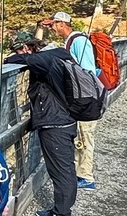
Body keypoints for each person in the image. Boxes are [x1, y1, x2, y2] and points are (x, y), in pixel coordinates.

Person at [5, 28, 79, 216]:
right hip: (65, 119)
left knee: (62, 170)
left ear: (27, 48)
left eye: (20, 50)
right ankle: (58, 210)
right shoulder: (59, 54)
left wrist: (21, 57)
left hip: (56, 123)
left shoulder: (43, 60)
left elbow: (13, 62)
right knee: (62, 168)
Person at [42, 11, 99, 191]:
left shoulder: (79, 41)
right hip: (80, 99)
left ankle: (86, 177)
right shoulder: (71, 41)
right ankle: (80, 173)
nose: (52, 28)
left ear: (61, 24)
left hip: (86, 100)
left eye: (53, 25)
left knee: (84, 137)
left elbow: (88, 71)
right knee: (80, 137)